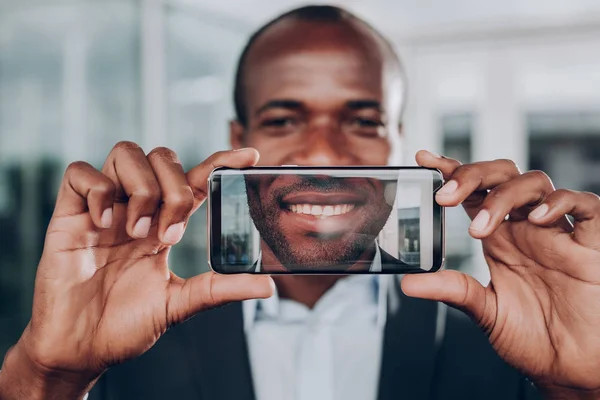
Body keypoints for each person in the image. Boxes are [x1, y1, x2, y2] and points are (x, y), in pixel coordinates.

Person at [1, 5, 600, 400]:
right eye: (284, 118)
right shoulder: (124, 347)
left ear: (399, 140)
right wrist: (46, 377)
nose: (325, 153)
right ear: (239, 141)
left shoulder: (514, 351)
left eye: (362, 121)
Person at [242, 172, 414, 273]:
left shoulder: (437, 306)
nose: (322, 171)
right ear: (238, 139)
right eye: (281, 123)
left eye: (363, 122)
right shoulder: (214, 316)